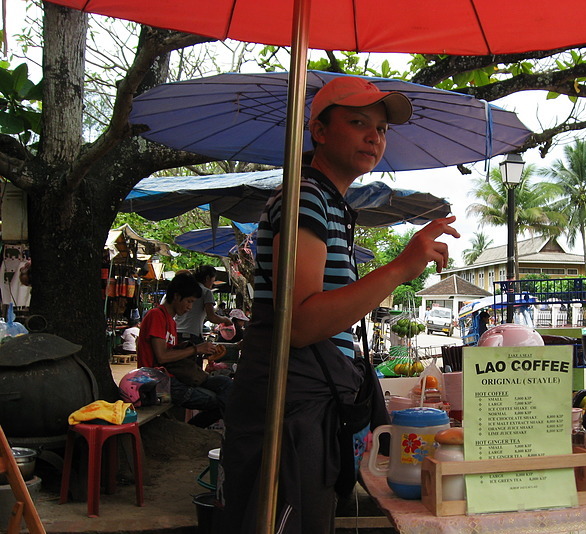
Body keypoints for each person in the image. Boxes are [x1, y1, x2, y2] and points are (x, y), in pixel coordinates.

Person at [220, 76, 459, 533]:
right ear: (319, 130)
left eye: (383, 129)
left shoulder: (328, 203)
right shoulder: (307, 197)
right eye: (358, 122)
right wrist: (400, 268)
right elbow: (303, 321)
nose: (375, 136)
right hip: (289, 404)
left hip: (306, 398)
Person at [138, 272, 233, 428]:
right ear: (176, 296)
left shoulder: (172, 322)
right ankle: (192, 430)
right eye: (189, 302)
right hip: (158, 383)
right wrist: (196, 349)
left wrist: (204, 351)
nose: (190, 307)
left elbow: (173, 356)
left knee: (226, 384)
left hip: (174, 377)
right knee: (218, 401)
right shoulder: (156, 316)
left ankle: (192, 430)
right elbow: (162, 357)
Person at [176, 265, 232, 347]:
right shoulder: (206, 292)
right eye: (213, 280)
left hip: (176, 333)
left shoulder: (184, 290)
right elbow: (212, 317)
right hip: (192, 334)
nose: (212, 284)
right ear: (207, 278)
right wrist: (226, 320)